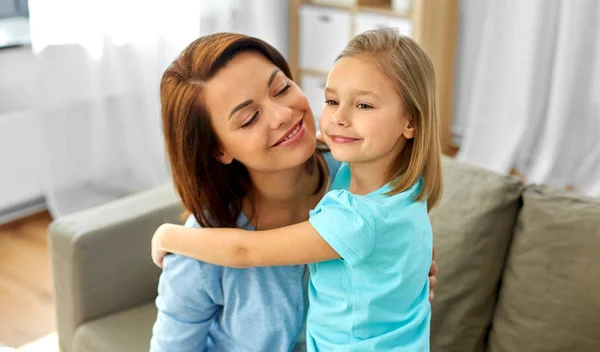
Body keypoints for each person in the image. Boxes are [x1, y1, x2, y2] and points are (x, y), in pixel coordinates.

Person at [152, 28, 442, 351]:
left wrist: (406, 284)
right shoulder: (199, 250)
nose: (283, 114)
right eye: (249, 119)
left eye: (281, 89)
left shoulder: (359, 175)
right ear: (218, 150)